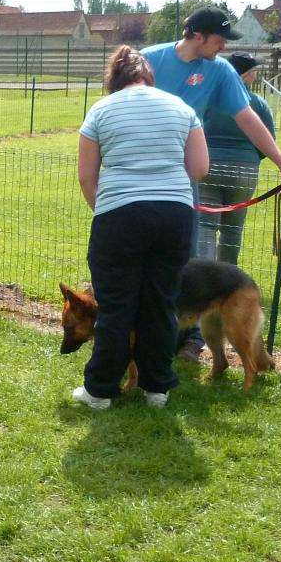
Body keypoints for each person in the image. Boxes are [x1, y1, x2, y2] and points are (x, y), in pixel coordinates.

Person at [142, 6, 281, 362]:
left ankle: (187, 342)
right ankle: (138, 340)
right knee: (140, 261)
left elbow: (247, 117)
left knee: (187, 263)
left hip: (181, 184)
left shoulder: (218, 71)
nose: (222, 47)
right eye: (218, 39)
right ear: (196, 35)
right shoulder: (149, 61)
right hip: (139, 179)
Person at [72, 45, 209, 409]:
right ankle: (157, 388)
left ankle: (100, 391)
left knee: (116, 306)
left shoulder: (101, 110)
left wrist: (105, 209)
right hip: (174, 215)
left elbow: (87, 176)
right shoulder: (182, 108)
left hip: (119, 215)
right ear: (148, 76)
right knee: (161, 303)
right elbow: (199, 169)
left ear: (113, 81)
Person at [196, 52, 275, 264]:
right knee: (233, 228)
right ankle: (228, 279)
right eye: (253, 71)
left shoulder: (207, 100)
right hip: (244, 168)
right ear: (246, 76)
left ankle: (207, 276)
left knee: (205, 225)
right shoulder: (258, 104)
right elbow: (268, 141)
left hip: (207, 166)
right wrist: (250, 158)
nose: (255, 75)